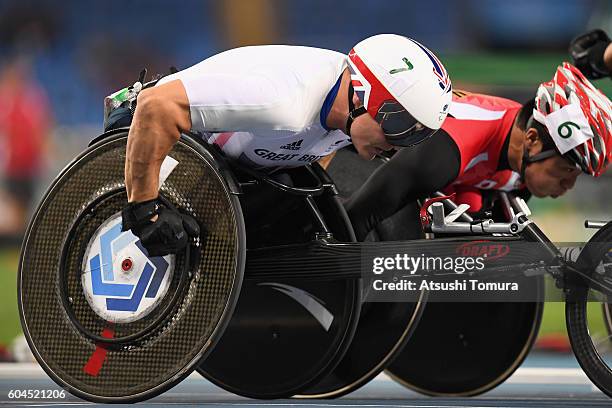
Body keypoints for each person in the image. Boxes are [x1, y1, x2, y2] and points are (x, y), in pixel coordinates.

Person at [119, 34, 453, 256]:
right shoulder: (284, 101)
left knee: (288, 195)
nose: (398, 147)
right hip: (149, 135)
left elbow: (313, 149)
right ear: (360, 95)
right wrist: (145, 209)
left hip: (221, 167)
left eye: (415, 136)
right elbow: (155, 105)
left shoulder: (348, 116)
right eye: (401, 129)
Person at [344, 61, 611, 241]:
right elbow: (351, 220)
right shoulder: (452, 145)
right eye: (567, 169)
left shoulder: (522, 169)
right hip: (341, 163)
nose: (568, 184)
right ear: (532, 140)